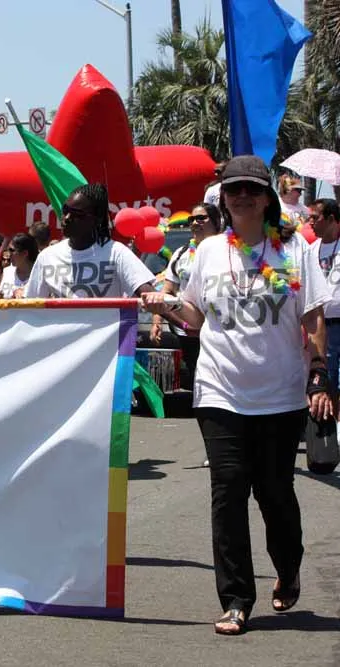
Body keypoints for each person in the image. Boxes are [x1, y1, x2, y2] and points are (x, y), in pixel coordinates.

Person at [143, 155, 331, 636]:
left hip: (280, 395)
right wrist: (167, 305)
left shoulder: (294, 249)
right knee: (227, 492)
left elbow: (312, 316)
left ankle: (288, 567)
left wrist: (318, 372)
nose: (242, 196)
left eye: (251, 189)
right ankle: (236, 600)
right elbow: (195, 316)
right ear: (222, 199)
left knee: (275, 492)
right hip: (219, 391)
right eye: (233, 189)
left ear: (267, 198)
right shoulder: (208, 251)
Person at [25, 184, 156, 299]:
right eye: (65, 211)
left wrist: (156, 299)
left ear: (96, 220)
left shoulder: (116, 253)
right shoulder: (47, 256)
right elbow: (30, 305)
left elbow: (147, 291)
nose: (67, 218)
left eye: (77, 214)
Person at [150, 203, 222, 381]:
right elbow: (167, 291)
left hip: (219, 328)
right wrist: (157, 321)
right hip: (187, 330)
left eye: (201, 218)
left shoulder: (228, 251)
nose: (195, 223)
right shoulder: (180, 254)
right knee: (195, 375)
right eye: (192, 219)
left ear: (216, 222)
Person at [309, 198, 340, 392]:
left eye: (315, 218)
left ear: (331, 219)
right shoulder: (309, 250)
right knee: (329, 382)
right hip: (322, 327)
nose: (310, 222)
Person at [0, 233, 39, 298]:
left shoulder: (39, 276)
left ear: (25, 253)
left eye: (11, 250)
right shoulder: (7, 272)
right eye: (8, 250)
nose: (9, 254)